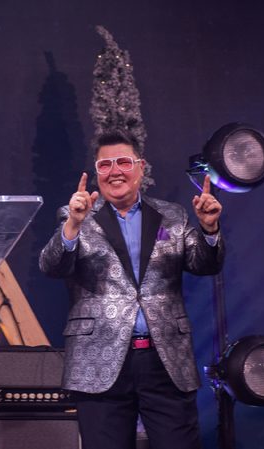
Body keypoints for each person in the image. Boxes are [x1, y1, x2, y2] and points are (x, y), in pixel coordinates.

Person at [39, 129, 224, 449]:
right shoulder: (76, 216)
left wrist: (209, 229)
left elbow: (204, 264)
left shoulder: (172, 216)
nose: (115, 172)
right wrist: (72, 226)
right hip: (99, 362)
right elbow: (52, 267)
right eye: (105, 165)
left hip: (165, 359)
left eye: (123, 162)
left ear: (141, 167)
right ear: (96, 173)